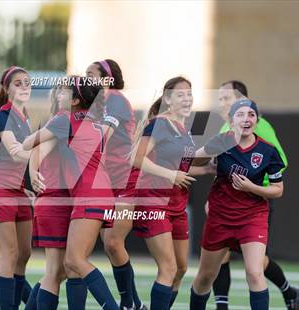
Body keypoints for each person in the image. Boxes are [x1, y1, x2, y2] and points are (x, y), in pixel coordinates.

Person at [22, 76, 119, 310]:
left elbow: (27, 144)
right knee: (69, 267)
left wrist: (32, 172)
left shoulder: (63, 119)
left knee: (71, 263)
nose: (58, 94)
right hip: (97, 194)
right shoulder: (92, 122)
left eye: (64, 92)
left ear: (76, 100)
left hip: (84, 195)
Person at [211, 80, 299, 310]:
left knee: (256, 264)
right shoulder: (225, 128)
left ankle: (290, 292)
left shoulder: (258, 126)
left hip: (254, 203)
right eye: (219, 98)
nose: (221, 103)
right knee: (219, 254)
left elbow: (280, 162)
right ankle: (222, 306)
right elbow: (219, 167)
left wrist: (254, 186)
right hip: (226, 204)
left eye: (225, 98)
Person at [190, 99, 285, 310]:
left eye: (251, 115)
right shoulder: (221, 141)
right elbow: (191, 162)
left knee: (254, 271)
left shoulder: (268, 151)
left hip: (252, 216)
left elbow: (278, 189)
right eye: (240, 114)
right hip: (220, 217)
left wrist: (252, 187)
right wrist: (207, 151)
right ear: (231, 120)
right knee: (206, 276)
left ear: (257, 120)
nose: (246, 119)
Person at [132, 76, 197, 309]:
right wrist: (171, 176)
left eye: (189, 93)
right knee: (168, 268)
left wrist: (207, 167)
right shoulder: (159, 124)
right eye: (181, 94)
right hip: (154, 201)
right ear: (168, 99)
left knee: (180, 268)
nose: (187, 98)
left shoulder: (184, 128)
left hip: (177, 203)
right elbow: (136, 159)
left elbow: (179, 167)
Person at [86, 59, 145, 310]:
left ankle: (128, 303)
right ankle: (135, 304)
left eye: (91, 74)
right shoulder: (93, 103)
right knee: (109, 246)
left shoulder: (115, 99)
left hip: (122, 178)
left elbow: (101, 137)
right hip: (102, 180)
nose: (85, 77)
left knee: (112, 241)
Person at [0, 66, 33, 309]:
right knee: (9, 255)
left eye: (27, 83)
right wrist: (50, 145)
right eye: (18, 83)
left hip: (17, 189)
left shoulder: (24, 115)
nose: (24, 87)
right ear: (7, 88)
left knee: (24, 254)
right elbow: (15, 152)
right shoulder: (3, 114)